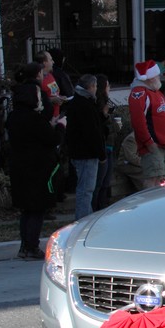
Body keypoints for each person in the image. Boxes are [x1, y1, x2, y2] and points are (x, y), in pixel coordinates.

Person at [6, 62, 65, 259]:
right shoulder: (33, 119)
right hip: (37, 168)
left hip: (20, 166)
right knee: (37, 209)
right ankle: (31, 246)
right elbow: (52, 139)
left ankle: (25, 245)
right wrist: (60, 127)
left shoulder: (14, 117)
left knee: (27, 209)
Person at [128, 59, 165, 189]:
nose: (159, 77)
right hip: (153, 145)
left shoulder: (154, 92)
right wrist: (149, 143)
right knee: (153, 179)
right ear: (149, 78)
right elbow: (138, 121)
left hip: (161, 145)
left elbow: (157, 114)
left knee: (160, 178)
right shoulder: (140, 93)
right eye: (156, 75)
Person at [62, 74, 106, 220]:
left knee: (85, 189)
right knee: (86, 190)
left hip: (79, 152)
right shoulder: (85, 105)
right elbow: (92, 132)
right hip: (86, 153)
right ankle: (82, 220)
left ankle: (87, 218)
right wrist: (101, 153)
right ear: (91, 87)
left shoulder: (77, 102)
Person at [91, 74, 116, 211]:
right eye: (107, 85)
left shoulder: (108, 102)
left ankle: (103, 207)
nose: (109, 88)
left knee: (106, 181)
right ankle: (95, 209)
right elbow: (100, 125)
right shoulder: (97, 105)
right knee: (99, 182)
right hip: (103, 146)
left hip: (110, 145)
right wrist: (105, 115)